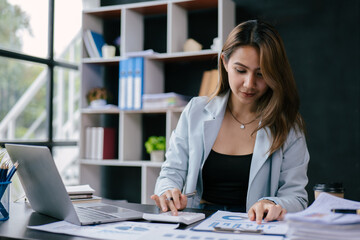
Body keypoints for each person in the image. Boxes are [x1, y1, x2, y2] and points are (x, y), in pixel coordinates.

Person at [151, 20, 309, 224]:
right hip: (197, 223)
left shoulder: (288, 125)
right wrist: (168, 191)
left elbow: (297, 198)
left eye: (261, 74)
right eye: (241, 70)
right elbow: (172, 170)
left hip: (255, 228)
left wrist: (272, 203)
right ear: (225, 62)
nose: (249, 84)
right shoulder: (196, 111)